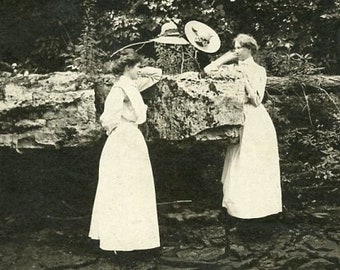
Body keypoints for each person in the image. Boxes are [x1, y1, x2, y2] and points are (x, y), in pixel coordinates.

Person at [89, 49, 162, 252]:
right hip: (122, 139)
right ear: (128, 68)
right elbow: (107, 119)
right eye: (137, 67)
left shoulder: (132, 85)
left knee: (137, 187)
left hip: (134, 137)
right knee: (122, 187)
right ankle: (118, 242)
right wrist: (120, 131)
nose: (140, 70)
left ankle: (137, 240)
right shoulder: (119, 89)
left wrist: (138, 67)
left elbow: (157, 74)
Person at [204, 34, 282, 221]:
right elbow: (208, 70)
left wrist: (245, 79)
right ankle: (238, 209)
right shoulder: (231, 68)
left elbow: (256, 99)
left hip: (255, 119)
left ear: (249, 49)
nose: (237, 50)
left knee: (253, 160)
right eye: (235, 47)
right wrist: (226, 58)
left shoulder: (259, 70)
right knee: (238, 160)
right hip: (236, 116)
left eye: (240, 47)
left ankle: (260, 209)